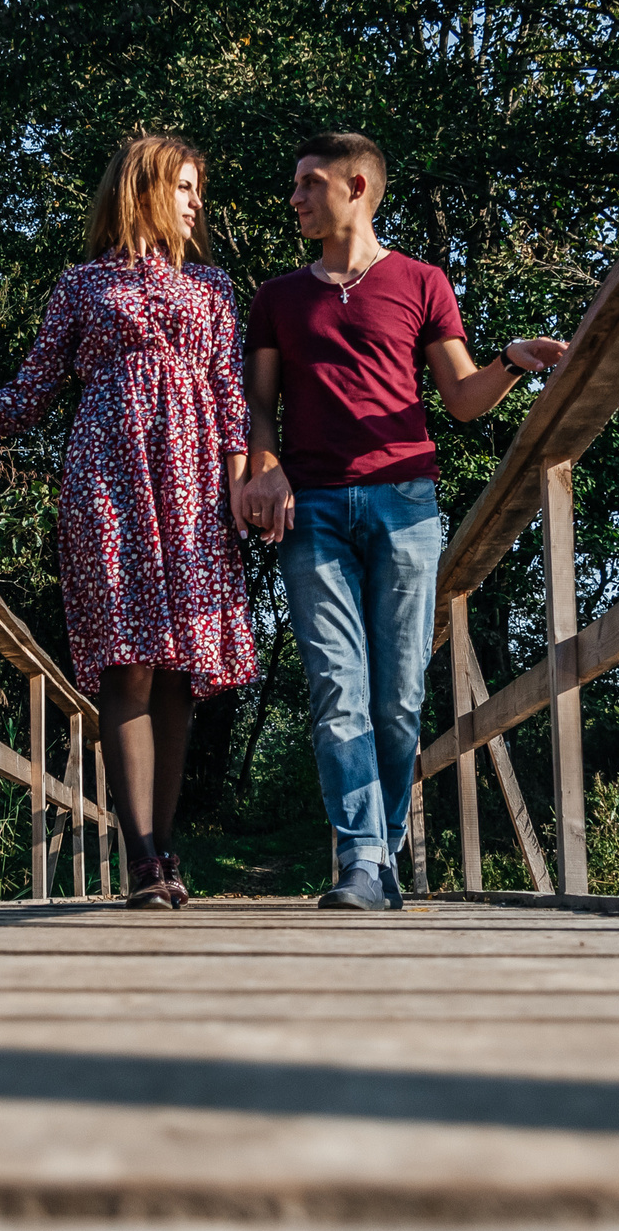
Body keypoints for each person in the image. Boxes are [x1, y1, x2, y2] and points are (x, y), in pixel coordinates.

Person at [0, 135, 256, 910]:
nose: (194, 203)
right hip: (108, 484)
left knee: (180, 673)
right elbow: (29, 393)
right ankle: (141, 857)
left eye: (196, 189)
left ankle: (166, 846)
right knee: (127, 662)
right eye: (182, 186)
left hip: (195, 490)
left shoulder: (213, 288)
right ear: (143, 189)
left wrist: (242, 487)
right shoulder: (82, 286)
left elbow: (232, 399)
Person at [238, 132, 567, 911]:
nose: (295, 198)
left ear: (357, 187)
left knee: (397, 698)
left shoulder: (421, 282)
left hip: (406, 506)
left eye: (309, 184)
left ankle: (381, 855)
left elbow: (459, 399)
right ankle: (358, 857)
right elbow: (257, 404)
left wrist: (512, 362)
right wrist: (265, 463)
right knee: (336, 686)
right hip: (312, 510)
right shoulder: (278, 297)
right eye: (295, 185)